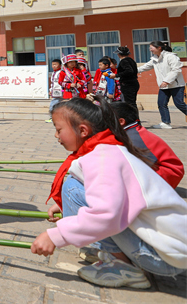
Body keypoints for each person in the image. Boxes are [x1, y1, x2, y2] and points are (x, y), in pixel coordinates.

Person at [32, 97, 186, 289]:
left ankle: (123, 266)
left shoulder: (102, 157)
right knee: (74, 186)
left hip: (164, 256)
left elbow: (108, 214)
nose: (56, 136)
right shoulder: (108, 148)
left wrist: (56, 236)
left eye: (59, 129)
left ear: (82, 130)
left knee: (72, 186)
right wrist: (65, 204)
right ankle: (110, 252)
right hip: (170, 249)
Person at [111, 101, 184, 189]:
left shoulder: (134, 138)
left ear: (121, 122)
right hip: (162, 172)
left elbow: (139, 165)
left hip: (167, 176)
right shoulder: (131, 131)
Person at [138, 40, 187, 129]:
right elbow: (144, 67)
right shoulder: (154, 59)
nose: (150, 49)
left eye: (151, 47)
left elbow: (176, 69)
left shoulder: (171, 57)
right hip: (164, 86)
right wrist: (131, 71)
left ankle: (166, 122)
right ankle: (165, 123)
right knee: (161, 103)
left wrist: (167, 81)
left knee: (179, 104)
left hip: (176, 85)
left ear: (159, 48)